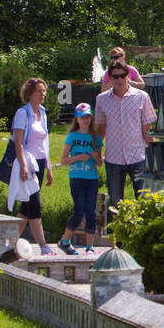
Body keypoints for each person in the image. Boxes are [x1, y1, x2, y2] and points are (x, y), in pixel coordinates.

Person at [95, 61, 156, 224]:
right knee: (116, 204)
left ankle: (143, 237)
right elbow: (101, 129)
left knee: (143, 200)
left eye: (123, 76)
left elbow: (147, 129)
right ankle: (119, 242)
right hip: (113, 158)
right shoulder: (101, 100)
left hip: (138, 156)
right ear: (110, 78)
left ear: (128, 76)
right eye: (115, 76)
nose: (120, 80)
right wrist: (97, 152)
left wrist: (154, 154)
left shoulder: (142, 97)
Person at [7, 78, 55, 254]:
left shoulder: (42, 112)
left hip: (40, 163)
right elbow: (18, 141)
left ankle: (10, 243)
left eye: (44, 91)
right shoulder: (23, 113)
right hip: (27, 162)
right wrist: (23, 166)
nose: (42, 94)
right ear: (29, 94)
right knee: (34, 205)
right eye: (39, 91)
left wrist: (48, 167)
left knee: (26, 208)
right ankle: (43, 246)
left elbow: (45, 143)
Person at [58, 103, 101, 254]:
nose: (86, 120)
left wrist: (96, 157)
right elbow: (63, 160)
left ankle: (89, 247)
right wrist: (78, 158)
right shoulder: (72, 136)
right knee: (79, 210)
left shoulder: (95, 137)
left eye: (88, 117)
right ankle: (65, 240)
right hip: (76, 177)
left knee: (91, 211)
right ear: (77, 119)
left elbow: (100, 163)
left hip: (92, 178)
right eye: (83, 117)